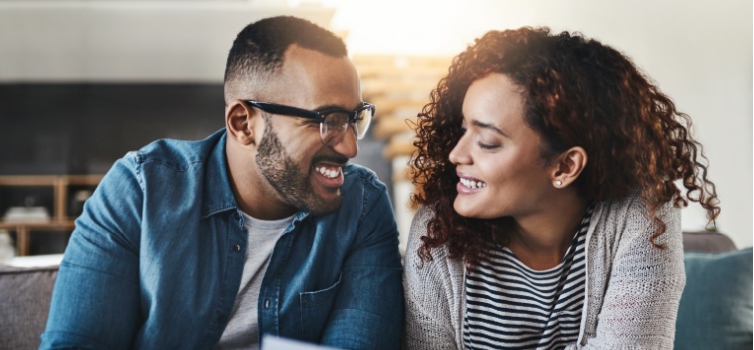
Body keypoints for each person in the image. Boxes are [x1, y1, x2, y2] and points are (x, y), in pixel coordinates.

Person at [40, 16, 403, 350]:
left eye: (355, 119)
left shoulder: (362, 206)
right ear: (244, 123)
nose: (351, 146)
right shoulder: (139, 191)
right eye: (327, 120)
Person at [403, 27, 720, 349]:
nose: (456, 154)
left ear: (565, 166)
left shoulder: (642, 213)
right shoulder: (437, 231)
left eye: (487, 142)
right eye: (462, 130)